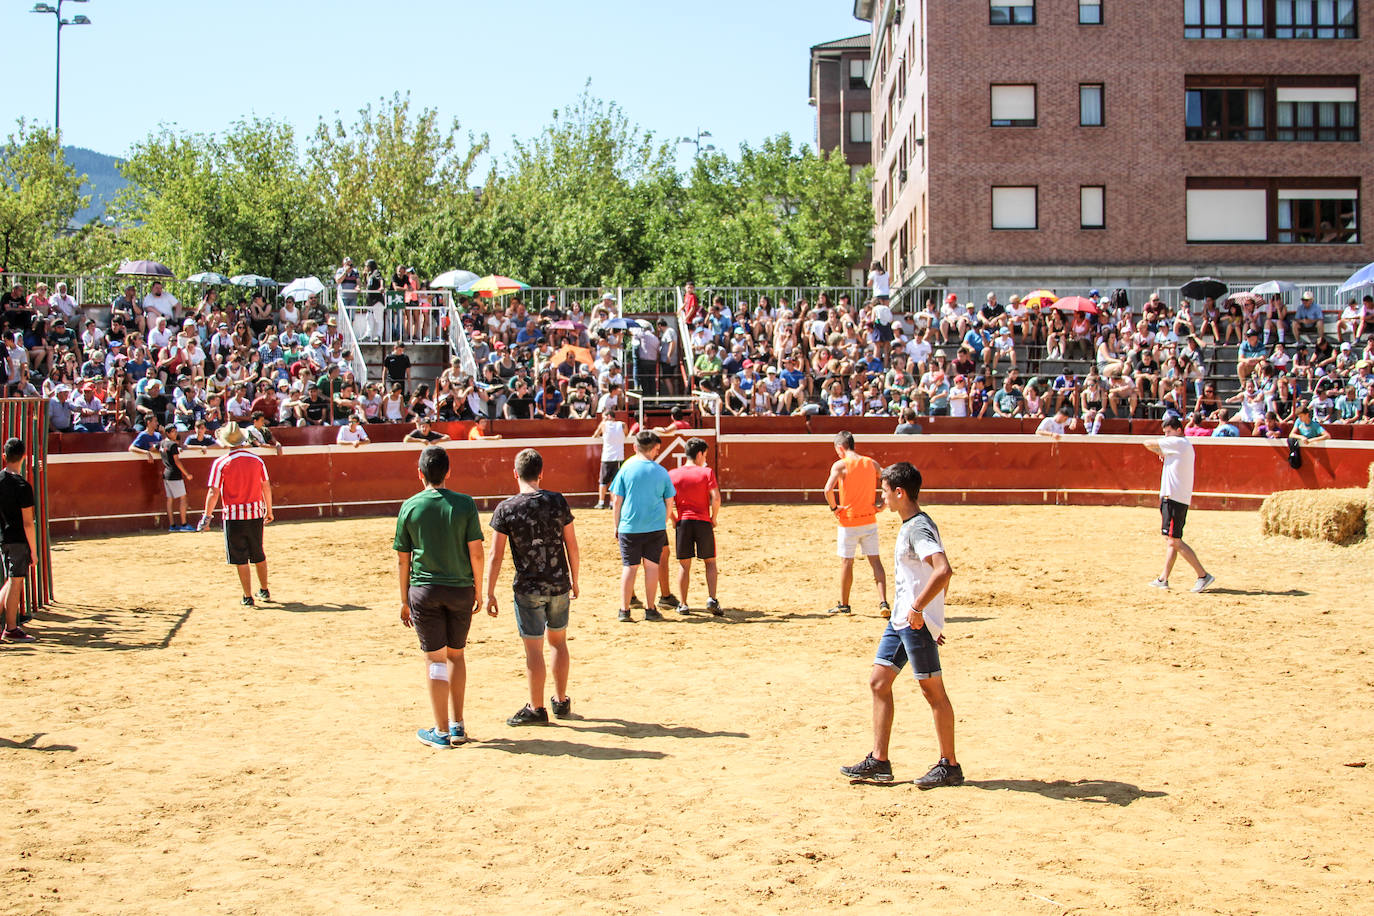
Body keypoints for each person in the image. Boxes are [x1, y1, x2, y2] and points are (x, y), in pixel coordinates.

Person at [840, 462, 959, 787]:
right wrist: (932, 615)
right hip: (901, 620)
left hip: (914, 621)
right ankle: (880, 761)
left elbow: (943, 570)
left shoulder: (918, 527)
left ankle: (949, 765)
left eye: (884, 490)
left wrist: (925, 614)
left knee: (932, 691)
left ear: (899, 492)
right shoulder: (913, 525)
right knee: (879, 682)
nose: (882, 496)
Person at [394, 446, 486, 749]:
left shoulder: (410, 506)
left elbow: (403, 560)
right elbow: (476, 552)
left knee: (435, 658)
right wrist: (478, 590)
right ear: (448, 472)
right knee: (456, 655)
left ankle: (441, 730)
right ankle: (457, 725)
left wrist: (404, 600)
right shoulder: (465, 504)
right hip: (460, 589)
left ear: (420, 474)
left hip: (425, 590)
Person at [485, 448, 580, 725]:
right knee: (558, 642)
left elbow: (495, 555)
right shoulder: (557, 501)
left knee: (534, 649)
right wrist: (575, 580)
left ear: (515, 474)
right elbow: (571, 545)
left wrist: (489, 592)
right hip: (558, 583)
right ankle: (560, 701)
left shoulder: (506, 508)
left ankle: (536, 707)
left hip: (528, 588)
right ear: (541, 474)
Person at [197, 421, 274, 606]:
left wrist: (206, 517)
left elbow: (213, 492)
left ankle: (247, 596)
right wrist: (269, 510)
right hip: (255, 513)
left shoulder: (220, 463)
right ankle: (264, 590)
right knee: (258, 553)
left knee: (240, 557)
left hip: (233, 516)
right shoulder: (257, 460)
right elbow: (266, 486)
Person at [1144, 415, 1215, 592]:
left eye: (1169, 432)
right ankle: (1163, 579)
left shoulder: (1178, 443)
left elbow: (1147, 443)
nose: (1166, 436)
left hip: (1174, 498)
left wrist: (1160, 451)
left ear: (1178, 430)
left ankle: (1203, 575)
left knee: (1174, 540)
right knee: (1171, 540)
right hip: (1175, 498)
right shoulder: (1180, 446)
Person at [610, 431, 675, 623]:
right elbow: (669, 501)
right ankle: (650, 609)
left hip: (629, 526)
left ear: (634, 447)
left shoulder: (625, 469)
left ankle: (624, 610)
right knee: (652, 567)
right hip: (655, 526)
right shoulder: (661, 471)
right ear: (654, 449)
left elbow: (617, 501)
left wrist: (617, 525)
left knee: (629, 567)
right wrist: (663, 521)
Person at [822, 432, 889, 617]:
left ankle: (844, 605)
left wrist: (834, 508)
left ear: (840, 448)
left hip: (849, 521)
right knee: (875, 561)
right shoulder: (871, 463)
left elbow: (827, 490)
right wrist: (883, 505)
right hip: (869, 519)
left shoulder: (841, 465)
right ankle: (883, 601)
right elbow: (889, 480)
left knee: (847, 562)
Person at [667, 437, 721, 617]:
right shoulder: (706, 473)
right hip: (703, 521)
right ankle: (712, 598)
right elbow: (716, 498)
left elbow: (666, 501)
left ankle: (683, 604)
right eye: (705, 455)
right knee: (710, 562)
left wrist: (674, 519)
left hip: (683, 522)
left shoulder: (673, 474)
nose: (705, 459)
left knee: (684, 565)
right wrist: (713, 518)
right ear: (699, 454)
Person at [0, 438, 38, 643]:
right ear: (24, 457)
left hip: (3, 538)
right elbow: (28, 523)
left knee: (10, 581)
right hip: (18, 540)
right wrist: (34, 551)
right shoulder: (23, 486)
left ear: (4, 456)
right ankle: (11, 628)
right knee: (15, 582)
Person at [158, 424, 194, 531]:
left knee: (170, 500)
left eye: (175, 431)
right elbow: (177, 461)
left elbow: (153, 448)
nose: (175, 433)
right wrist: (187, 474)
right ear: (167, 433)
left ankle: (172, 525)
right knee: (183, 498)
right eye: (173, 431)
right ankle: (184, 524)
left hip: (166, 474)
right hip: (174, 474)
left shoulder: (162, 443)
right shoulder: (173, 444)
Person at [592, 408, 626, 510]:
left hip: (607, 457)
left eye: (603, 417)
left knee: (603, 481)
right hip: (619, 457)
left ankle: (601, 502)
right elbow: (626, 434)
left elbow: (595, 435)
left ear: (608, 416)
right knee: (615, 482)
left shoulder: (603, 425)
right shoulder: (622, 425)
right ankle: (612, 503)